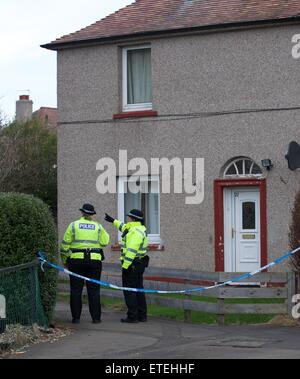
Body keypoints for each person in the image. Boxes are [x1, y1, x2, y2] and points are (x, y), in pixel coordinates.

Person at [60, 203, 110, 324]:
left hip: (76, 260)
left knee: (76, 289)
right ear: (92, 214)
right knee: (94, 289)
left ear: (82, 212)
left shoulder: (73, 225)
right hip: (94, 261)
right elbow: (105, 242)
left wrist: (65, 259)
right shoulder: (98, 226)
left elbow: (64, 245)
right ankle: (96, 318)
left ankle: (76, 318)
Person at [105, 209, 149, 323]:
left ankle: (132, 316)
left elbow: (131, 251)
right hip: (138, 264)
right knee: (139, 289)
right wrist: (112, 221)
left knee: (129, 291)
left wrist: (126, 266)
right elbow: (122, 226)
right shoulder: (134, 228)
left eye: (129, 217)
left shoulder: (135, 232)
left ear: (133, 219)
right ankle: (142, 315)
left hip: (132, 265)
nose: (128, 218)